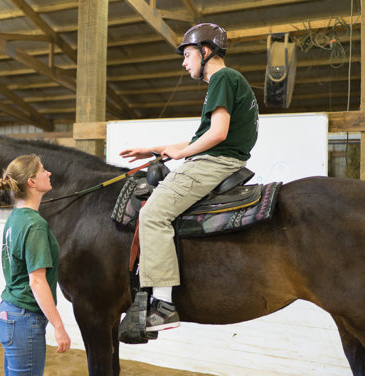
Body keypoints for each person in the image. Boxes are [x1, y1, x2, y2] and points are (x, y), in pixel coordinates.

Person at [120, 23, 259, 332]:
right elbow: (206, 137)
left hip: (214, 163)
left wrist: (182, 155)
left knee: (154, 214)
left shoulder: (221, 78)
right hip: (219, 157)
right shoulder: (231, 81)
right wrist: (155, 150)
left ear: (204, 51)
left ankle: (164, 306)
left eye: (187, 55)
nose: (184, 62)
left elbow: (217, 134)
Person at [0, 154, 71, 376]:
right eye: (43, 170)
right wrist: (58, 326)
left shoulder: (15, 217)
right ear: (31, 182)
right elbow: (37, 281)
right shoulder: (35, 224)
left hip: (9, 312)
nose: (48, 173)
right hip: (25, 317)